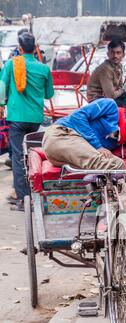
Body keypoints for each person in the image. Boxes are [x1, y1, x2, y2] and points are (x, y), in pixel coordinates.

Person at [42, 98, 126, 234]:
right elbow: (78, 116)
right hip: (62, 135)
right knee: (116, 164)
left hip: (73, 152)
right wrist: (98, 146)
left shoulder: (119, 140)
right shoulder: (110, 107)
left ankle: (106, 217)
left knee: (103, 172)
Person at [0, 32, 54, 211]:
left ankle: (23, 200)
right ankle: (36, 195)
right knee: (33, 157)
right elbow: (49, 94)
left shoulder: (11, 65)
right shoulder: (44, 69)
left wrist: (1, 104)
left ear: (20, 48)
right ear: (35, 47)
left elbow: (2, 87)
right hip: (35, 119)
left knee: (17, 157)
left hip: (16, 118)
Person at [87, 40, 126, 109]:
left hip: (110, 99)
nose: (115, 56)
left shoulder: (119, 66)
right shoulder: (105, 69)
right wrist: (122, 90)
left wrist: (120, 90)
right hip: (98, 101)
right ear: (108, 54)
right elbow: (111, 95)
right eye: (112, 53)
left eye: (118, 53)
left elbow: (119, 86)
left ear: (123, 55)